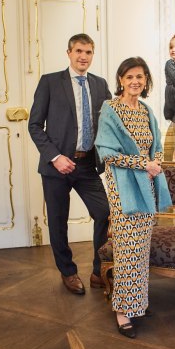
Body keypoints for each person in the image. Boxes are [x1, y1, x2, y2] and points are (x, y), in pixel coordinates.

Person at [94, 57, 173, 339]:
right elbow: (107, 153)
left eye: (140, 77)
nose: (135, 81)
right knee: (127, 249)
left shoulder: (146, 110)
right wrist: (144, 165)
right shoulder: (111, 109)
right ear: (121, 80)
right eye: (129, 77)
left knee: (140, 249)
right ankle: (123, 311)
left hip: (147, 185)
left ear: (146, 80)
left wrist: (156, 162)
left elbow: (156, 145)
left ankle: (137, 302)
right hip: (123, 188)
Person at [28, 33, 111, 296]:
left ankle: (99, 271)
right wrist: (55, 157)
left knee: (104, 213)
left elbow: (110, 122)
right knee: (58, 221)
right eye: (78, 51)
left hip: (87, 165)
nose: (83, 57)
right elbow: (34, 125)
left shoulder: (100, 85)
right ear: (69, 53)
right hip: (56, 167)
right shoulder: (50, 82)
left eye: (88, 52)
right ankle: (68, 271)